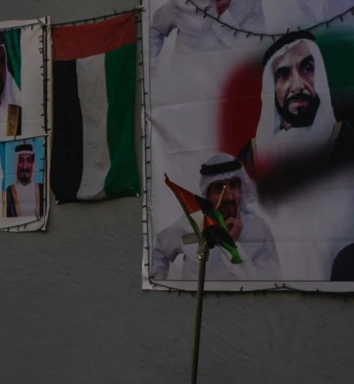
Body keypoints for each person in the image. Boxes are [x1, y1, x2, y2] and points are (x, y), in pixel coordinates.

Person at [245, 33, 354, 281]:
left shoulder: (345, 141)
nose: (297, 85)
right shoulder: (250, 157)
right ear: (270, 87)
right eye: (283, 75)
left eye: (307, 69)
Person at [150, 153, 280, 284]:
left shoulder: (259, 229)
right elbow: (160, 250)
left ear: (241, 189)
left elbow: (268, 283)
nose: (228, 196)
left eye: (234, 185)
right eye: (219, 188)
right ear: (208, 194)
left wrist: (232, 245)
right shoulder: (191, 223)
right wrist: (158, 286)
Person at [6, 139, 43, 222]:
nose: (25, 166)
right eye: (21, 160)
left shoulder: (42, 190)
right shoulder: (8, 193)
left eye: (29, 160)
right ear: (16, 163)